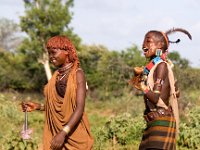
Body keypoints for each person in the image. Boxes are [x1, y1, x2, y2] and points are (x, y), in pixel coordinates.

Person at [21, 35, 94, 150]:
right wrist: (38, 106)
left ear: (66, 52)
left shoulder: (78, 74)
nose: (51, 57)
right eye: (49, 53)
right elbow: (59, 106)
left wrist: (63, 133)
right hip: (56, 134)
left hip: (73, 135)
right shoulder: (56, 76)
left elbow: (79, 109)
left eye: (53, 53)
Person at [129, 28, 192, 150]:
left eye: (148, 41)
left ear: (160, 45)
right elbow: (176, 93)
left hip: (161, 121)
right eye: (143, 42)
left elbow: (155, 97)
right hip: (154, 122)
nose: (143, 45)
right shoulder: (156, 66)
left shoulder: (162, 66)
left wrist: (142, 86)